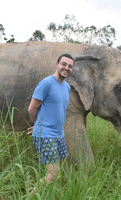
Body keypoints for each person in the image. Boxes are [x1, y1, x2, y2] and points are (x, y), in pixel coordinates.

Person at [27, 53, 74, 196]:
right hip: (46, 134)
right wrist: (38, 126)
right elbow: (32, 108)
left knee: (56, 174)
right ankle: (29, 197)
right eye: (64, 64)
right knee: (53, 176)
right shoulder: (46, 83)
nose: (66, 68)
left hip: (59, 134)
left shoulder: (67, 87)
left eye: (70, 66)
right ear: (57, 65)